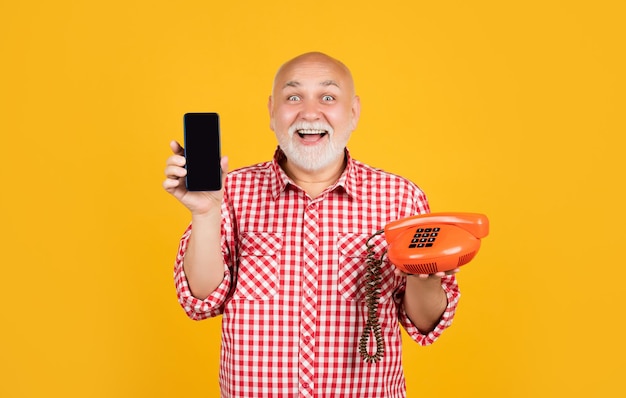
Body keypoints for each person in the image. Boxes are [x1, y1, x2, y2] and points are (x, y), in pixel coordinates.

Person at [163, 52, 460, 398]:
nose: (309, 112)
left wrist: (424, 276)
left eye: (328, 97)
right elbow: (201, 300)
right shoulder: (231, 191)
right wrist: (204, 213)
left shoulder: (400, 198)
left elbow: (424, 324)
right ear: (272, 113)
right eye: (293, 97)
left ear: (353, 113)